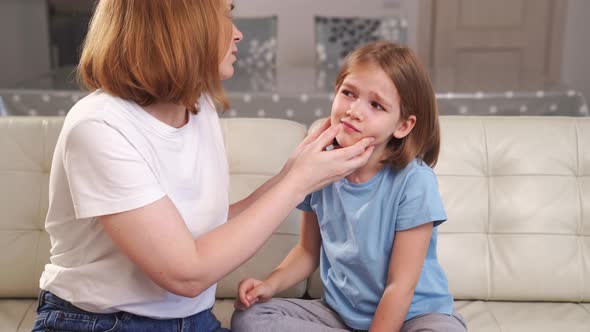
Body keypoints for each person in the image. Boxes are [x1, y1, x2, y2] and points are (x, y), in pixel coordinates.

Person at [32, 1, 375, 331]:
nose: (238, 34)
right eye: (226, 16)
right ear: (181, 29)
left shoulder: (198, 108)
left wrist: (292, 172)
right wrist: (296, 184)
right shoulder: (98, 127)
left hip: (193, 321)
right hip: (100, 323)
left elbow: (202, 230)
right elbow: (186, 274)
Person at [231, 41, 468, 332]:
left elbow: (400, 286)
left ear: (403, 126)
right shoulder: (319, 169)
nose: (354, 110)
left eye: (376, 105)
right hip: (341, 316)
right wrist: (269, 284)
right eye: (348, 93)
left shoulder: (414, 182)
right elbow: (307, 251)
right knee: (251, 318)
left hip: (415, 316)